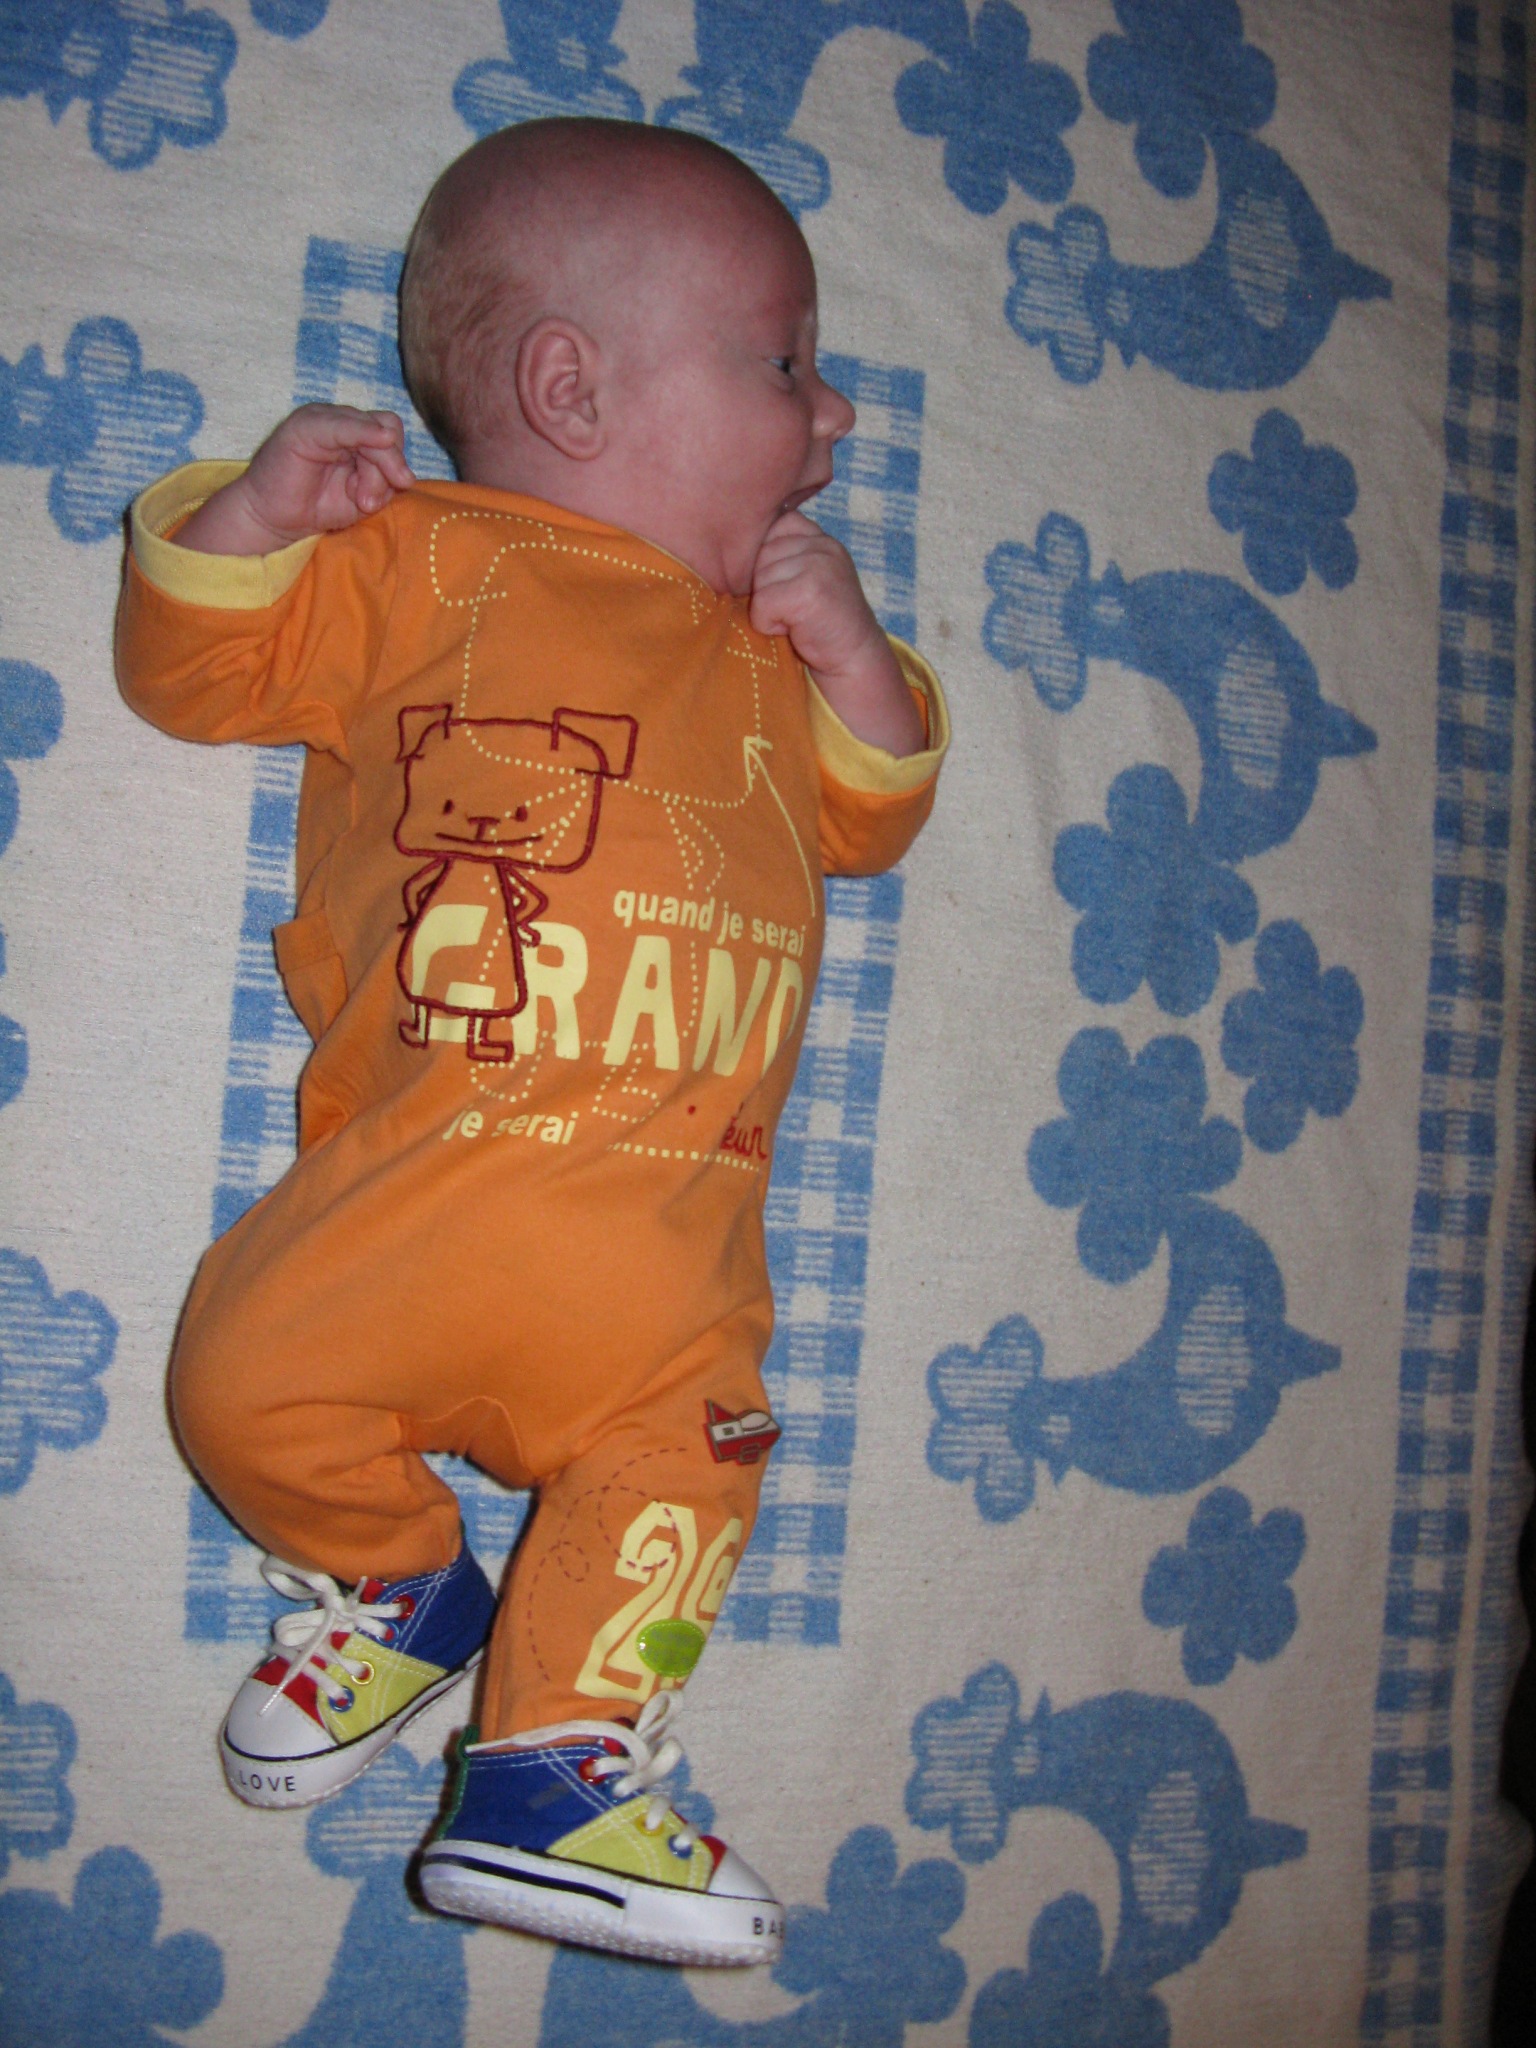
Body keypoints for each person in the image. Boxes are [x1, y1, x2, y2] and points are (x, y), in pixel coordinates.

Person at [115, 116, 948, 1968]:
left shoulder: (768, 642)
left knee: (693, 1465)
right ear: (570, 388)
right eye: (787, 364)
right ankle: (403, 1584)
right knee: (237, 1381)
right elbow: (191, 672)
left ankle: (554, 1766)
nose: (837, 414)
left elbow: (872, 815)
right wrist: (250, 520)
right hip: (411, 1199)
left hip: (670, 1257)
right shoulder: (419, 562)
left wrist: (855, 657)